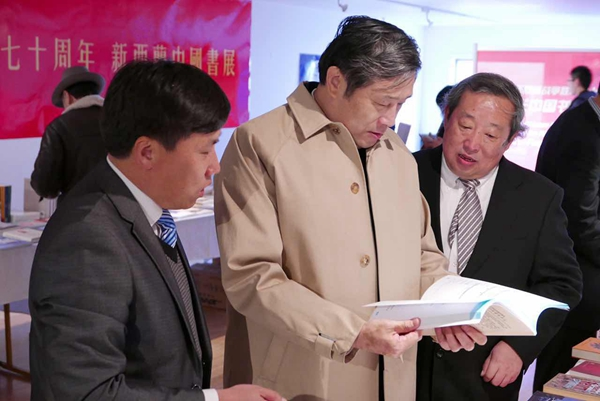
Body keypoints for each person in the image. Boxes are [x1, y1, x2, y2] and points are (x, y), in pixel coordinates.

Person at [214, 16, 486, 401]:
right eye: (382, 102)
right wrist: (352, 332)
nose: (391, 119)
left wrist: (449, 311)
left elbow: (423, 255)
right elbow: (252, 275)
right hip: (301, 370)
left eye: (401, 104)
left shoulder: (395, 153)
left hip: (392, 372)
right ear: (336, 81)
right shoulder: (261, 144)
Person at [29, 60, 284, 401]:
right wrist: (215, 400)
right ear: (147, 152)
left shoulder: (144, 208)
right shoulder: (86, 240)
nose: (215, 166)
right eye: (205, 149)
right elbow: (86, 392)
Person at [413, 72, 582, 401]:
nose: (472, 144)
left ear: (510, 140)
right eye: (465, 126)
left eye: (490, 134)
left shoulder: (538, 197)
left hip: (483, 377)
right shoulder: (403, 172)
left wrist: (519, 347)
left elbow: (562, 285)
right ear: (446, 116)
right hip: (402, 368)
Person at [534, 87, 600, 391]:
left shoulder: (584, 123)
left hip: (576, 279)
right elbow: (581, 221)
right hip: (575, 282)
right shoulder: (584, 135)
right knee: (562, 380)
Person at [31, 66, 107, 203]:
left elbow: (45, 187)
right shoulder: (118, 121)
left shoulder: (58, 128)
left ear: (67, 96)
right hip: (119, 210)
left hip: (76, 211)